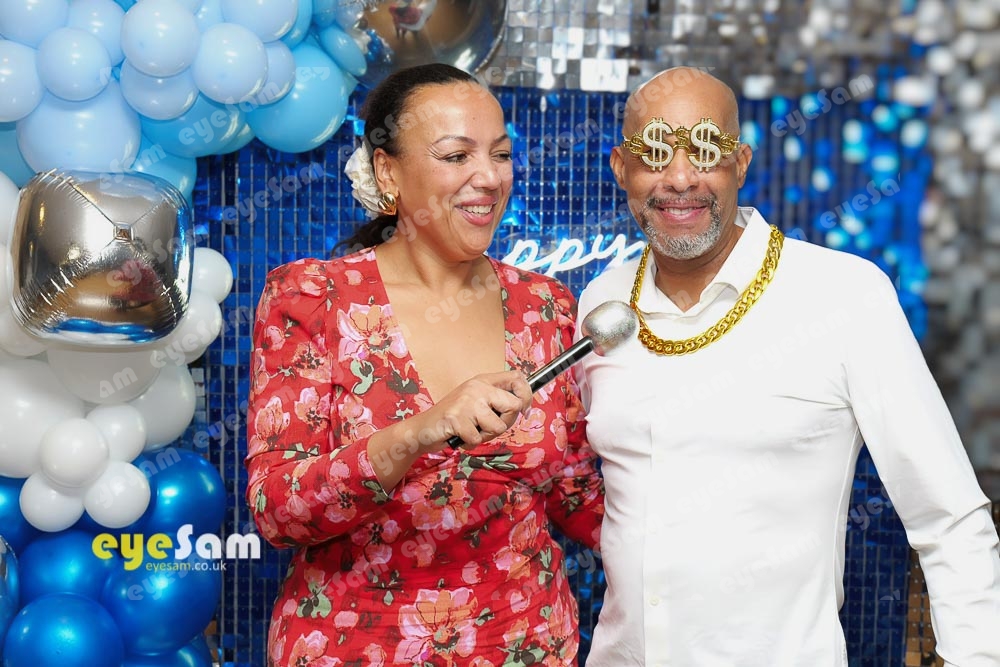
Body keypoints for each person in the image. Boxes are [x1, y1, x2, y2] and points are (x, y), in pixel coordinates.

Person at [576, 66, 1000, 666]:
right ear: (621, 167)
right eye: (653, 153)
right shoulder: (601, 305)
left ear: (741, 163)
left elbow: (948, 517)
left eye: (705, 149)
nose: (680, 178)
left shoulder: (843, 297)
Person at [244, 63, 604, 667]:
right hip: (353, 648)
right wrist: (417, 433)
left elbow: (575, 493)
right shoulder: (313, 297)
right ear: (388, 171)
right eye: (456, 156)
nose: (488, 177)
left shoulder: (545, 305)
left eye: (500, 154)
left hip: (528, 645)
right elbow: (279, 511)